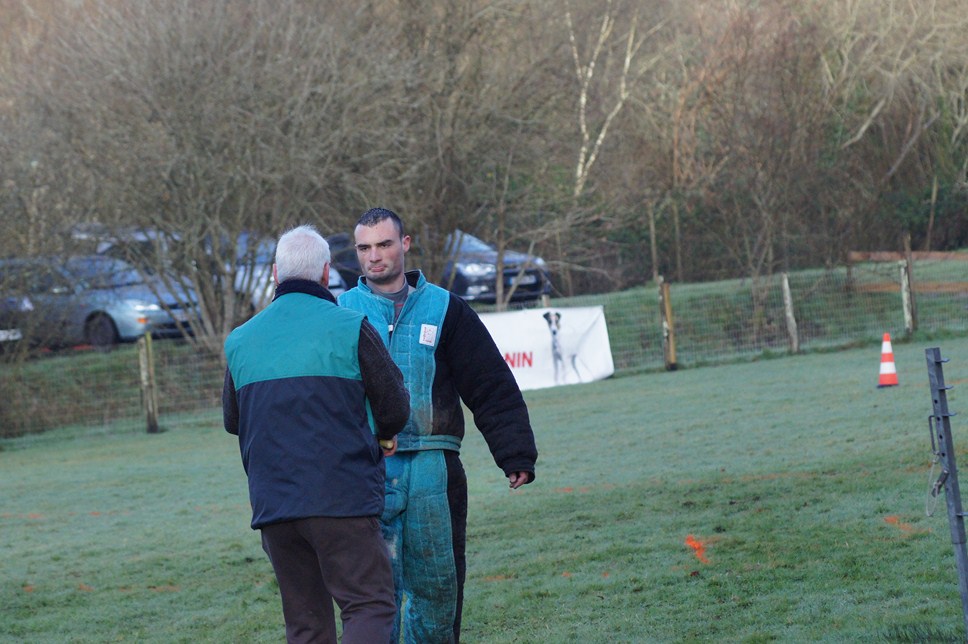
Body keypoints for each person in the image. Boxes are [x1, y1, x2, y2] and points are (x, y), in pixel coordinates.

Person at [338, 208, 538, 643]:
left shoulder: (447, 309)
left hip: (435, 467)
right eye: (365, 248)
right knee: (373, 596)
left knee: (438, 589)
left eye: (385, 244)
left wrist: (514, 451)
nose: (375, 257)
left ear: (405, 245)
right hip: (367, 470)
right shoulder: (340, 313)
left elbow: (489, 383)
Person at [222, 224, 410, 644]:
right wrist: (383, 433)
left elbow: (234, 421)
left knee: (306, 625)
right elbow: (394, 407)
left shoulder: (240, 341)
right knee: (368, 605)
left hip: (275, 505)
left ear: (275, 274)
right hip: (342, 497)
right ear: (326, 273)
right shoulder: (350, 326)